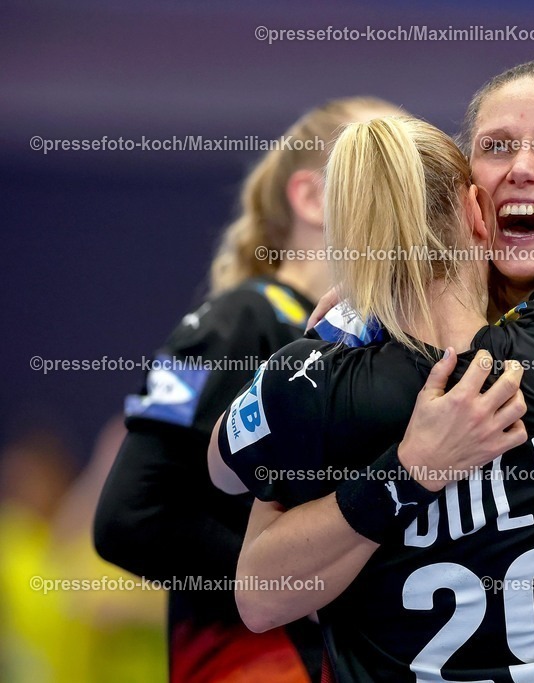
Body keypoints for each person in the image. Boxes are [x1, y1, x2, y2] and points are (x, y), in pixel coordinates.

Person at [210, 109, 534, 682]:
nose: (524, 171)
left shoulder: (314, 378)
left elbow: (247, 555)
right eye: (499, 148)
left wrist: (402, 474)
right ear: (478, 210)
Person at [93, 97, 403, 683]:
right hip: (248, 664)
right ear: (313, 198)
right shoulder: (234, 320)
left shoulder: (357, 340)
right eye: (380, 175)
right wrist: (294, 582)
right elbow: (129, 518)